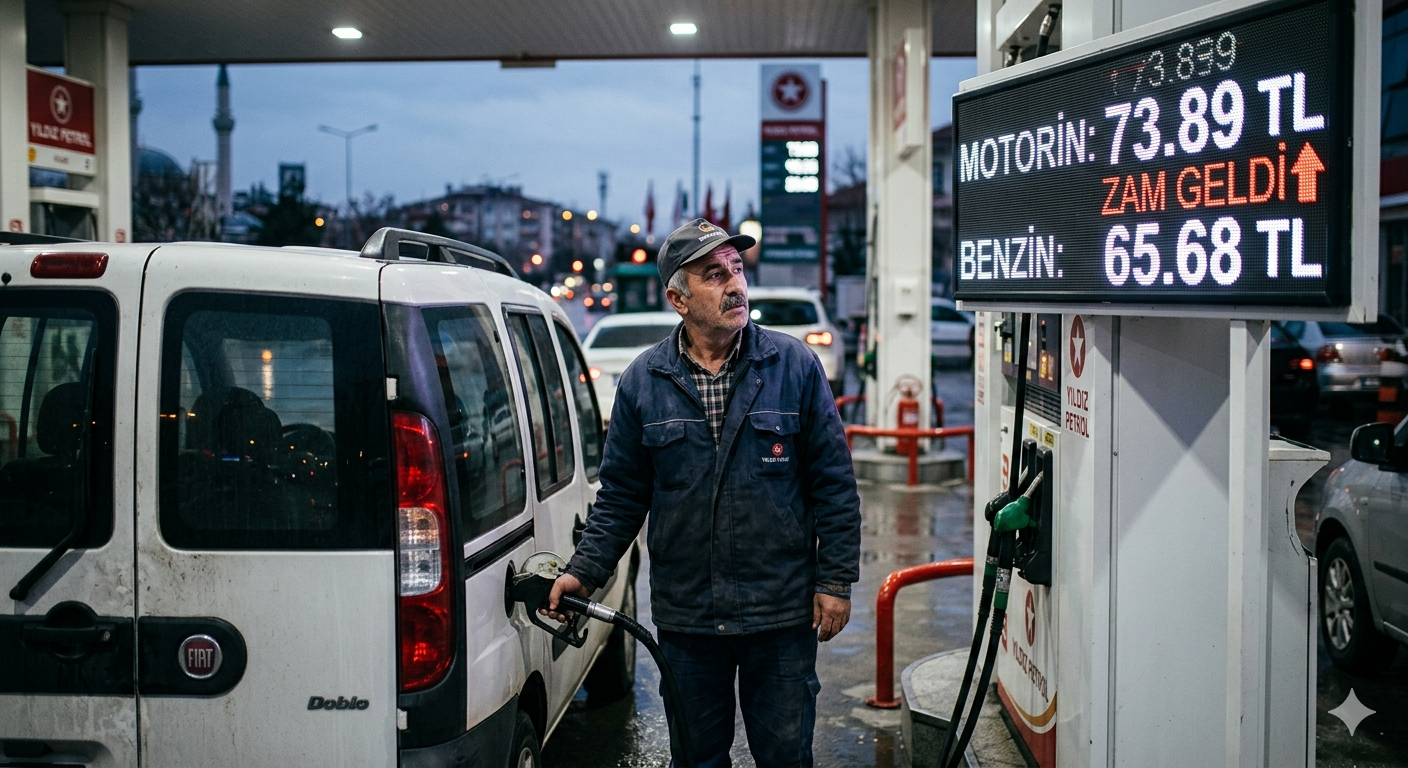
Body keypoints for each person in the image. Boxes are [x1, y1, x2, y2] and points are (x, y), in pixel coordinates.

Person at [544, 218, 862, 767]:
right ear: (678, 298)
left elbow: (833, 483)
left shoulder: (793, 366)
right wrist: (584, 571)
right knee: (697, 758)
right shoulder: (643, 382)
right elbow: (622, 495)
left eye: (737, 269)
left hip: (780, 612)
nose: (735, 285)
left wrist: (834, 581)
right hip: (689, 617)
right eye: (714, 275)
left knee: (786, 755)